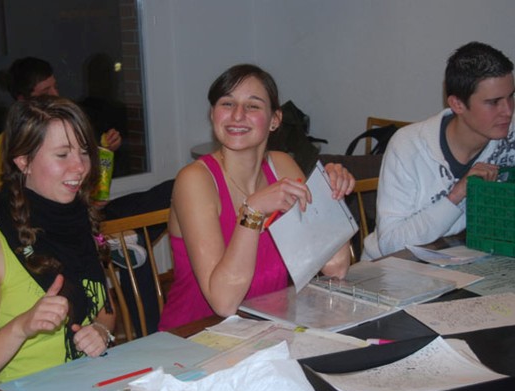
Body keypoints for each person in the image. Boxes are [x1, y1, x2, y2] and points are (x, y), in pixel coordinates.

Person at [158, 64, 354, 331]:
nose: (237, 115)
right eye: (227, 103)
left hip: (266, 331)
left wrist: (329, 194)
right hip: (195, 337)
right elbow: (224, 302)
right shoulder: (195, 181)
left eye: (252, 106)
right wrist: (252, 212)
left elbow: (335, 267)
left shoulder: (282, 166)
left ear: (275, 119)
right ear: (213, 114)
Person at [0, 96, 116, 389]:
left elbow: (105, 311)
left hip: (89, 385)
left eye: (84, 152)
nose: (80, 167)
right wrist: (22, 326)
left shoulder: (79, 218)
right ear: (23, 161)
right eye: (62, 154)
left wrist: (101, 331)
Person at [362, 42, 515, 260]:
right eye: (494, 102)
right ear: (457, 104)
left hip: (467, 260)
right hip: (393, 266)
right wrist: (456, 196)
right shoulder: (407, 146)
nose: (508, 111)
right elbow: (390, 245)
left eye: (511, 96)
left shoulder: (510, 132)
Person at [0, 57, 123, 191]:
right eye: (46, 91)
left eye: (55, 87)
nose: (55, 94)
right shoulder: (8, 141)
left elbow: (97, 149)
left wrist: (107, 145)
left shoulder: (69, 125)